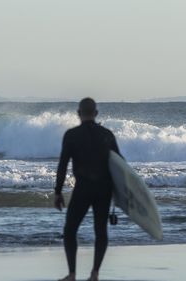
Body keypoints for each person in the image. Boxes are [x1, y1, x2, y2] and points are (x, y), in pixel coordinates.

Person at [55, 98, 121, 281]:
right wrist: (120, 193)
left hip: (83, 189)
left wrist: (58, 192)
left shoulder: (72, 135)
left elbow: (62, 166)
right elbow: (120, 165)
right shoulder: (106, 135)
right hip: (104, 190)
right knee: (100, 231)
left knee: (70, 231)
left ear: (78, 113)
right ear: (96, 113)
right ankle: (95, 273)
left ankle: (72, 274)